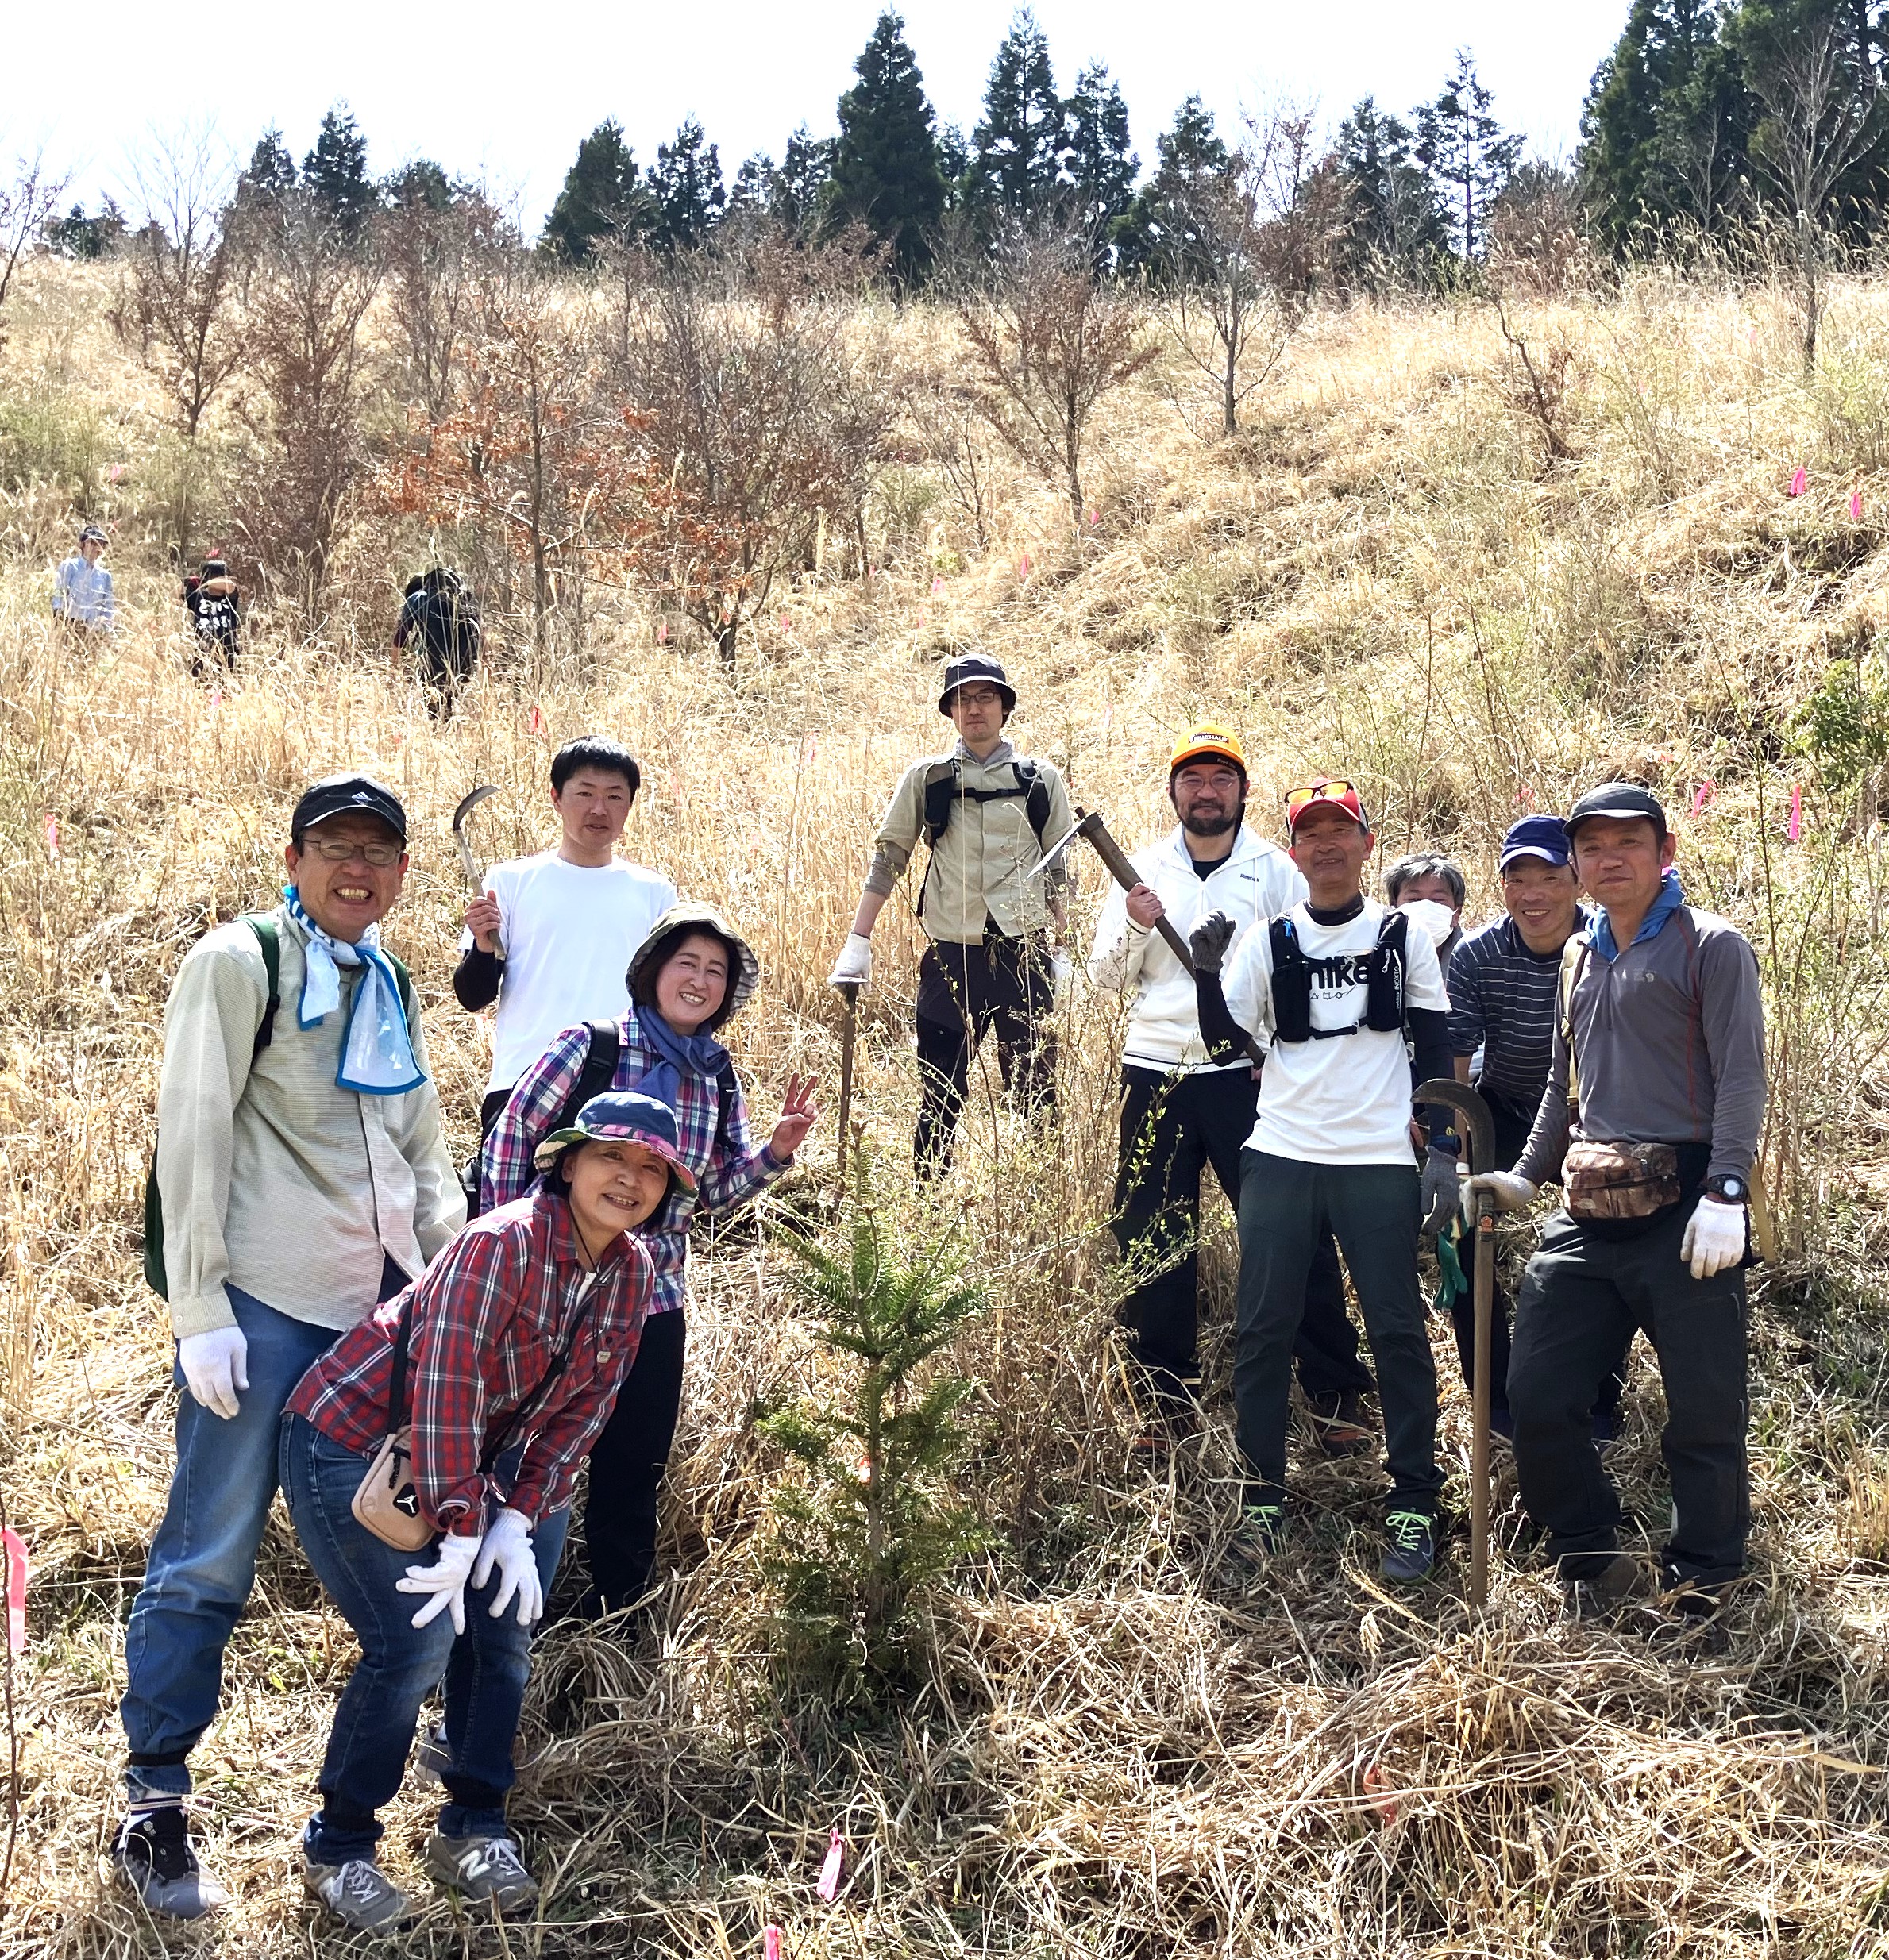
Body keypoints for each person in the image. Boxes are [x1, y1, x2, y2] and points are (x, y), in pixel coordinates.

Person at [115, 775, 463, 1919]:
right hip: (262, 1303)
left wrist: (446, 1273)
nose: (354, 867)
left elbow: (416, 1141)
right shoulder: (240, 960)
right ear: (294, 856)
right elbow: (194, 1126)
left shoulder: (391, 979)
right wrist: (200, 1306)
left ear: (403, 874)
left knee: (391, 1556)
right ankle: (155, 1806)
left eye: (377, 851)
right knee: (209, 1551)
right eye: (333, 846)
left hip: (370, 1312)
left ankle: (350, 1822)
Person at [280, 1092, 683, 1929]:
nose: (630, 1180)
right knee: (414, 1645)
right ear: (568, 1163)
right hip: (356, 1442)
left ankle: (472, 1826)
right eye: (614, 1158)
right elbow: (444, 1385)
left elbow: (586, 1412)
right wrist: (466, 1520)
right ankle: (340, 1844)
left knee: (504, 1634)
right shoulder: (503, 1243)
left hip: (484, 1467)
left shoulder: (634, 1273)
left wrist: (514, 1518)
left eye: (652, 1170)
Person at [1468, 784, 1765, 1642]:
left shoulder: (1713, 946)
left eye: (1627, 843)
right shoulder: (1578, 954)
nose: (1609, 859)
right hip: (1590, 1202)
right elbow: (1567, 1091)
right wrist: (1525, 1177)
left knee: (1704, 1406)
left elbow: (1742, 1077)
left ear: (1663, 851)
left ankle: (1704, 1575)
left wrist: (1729, 1192)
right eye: (1591, 847)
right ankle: (1589, 1554)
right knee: (1537, 1390)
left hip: (1691, 1196)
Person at [483, 904, 819, 1617]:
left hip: (651, 1295)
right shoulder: (591, 1045)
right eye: (686, 963)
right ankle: (500, 1610)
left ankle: (615, 1614)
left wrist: (775, 1154)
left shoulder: (716, 1075)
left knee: (635, 1458)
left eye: (716, 972)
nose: (699, 981)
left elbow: (709, 1195)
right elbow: (513, 1137)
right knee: (521, 1446)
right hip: (552, 1288)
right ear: (653, 971)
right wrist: (512, 1254)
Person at [1087, 725, 1377, 1454]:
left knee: (1290, 1233)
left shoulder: (1274, 869)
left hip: (1249, 1079)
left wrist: (1275, 1055)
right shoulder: (1142, 870)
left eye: (1221, 778)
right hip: (1155, 1072)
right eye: (1193, 779)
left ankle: (1334, 1389)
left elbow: (1308, 963)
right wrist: (1132, 923)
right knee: (1153, 1234)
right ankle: (1163, 1397)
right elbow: (1105, 976)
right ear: (1173, 792)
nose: (1207, 790)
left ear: (1242, 790)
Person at [1192, 778, 1454, 1584]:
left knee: (1399, 1332)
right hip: (1282, 1155)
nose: (1329, 846)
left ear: (1367, 846)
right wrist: (1206, 975)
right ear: (1294, 853)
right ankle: (1261, 1502)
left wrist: (1440, 1149)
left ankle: (1414, 1503)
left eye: (1343, 832)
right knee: (1264, 1332)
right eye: (1312, 834)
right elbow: (1221, 1044)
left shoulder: (1402, 933)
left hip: (1376, 1160)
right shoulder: (1268, 942)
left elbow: (1435, 1043)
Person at [831, 653, 1074, 1179]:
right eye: (961, 699)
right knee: (940, 1088)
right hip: (950, 955)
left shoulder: (1040, 779)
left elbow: (1058, 868)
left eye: (985, 696)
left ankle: (1039, 1202)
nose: (974, 708)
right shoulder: (928, 777)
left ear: (1005, 707)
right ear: (949, 712)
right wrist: (858, 940)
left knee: (1036, 1092)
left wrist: (1064, 945)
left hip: (1023, 954)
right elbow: (889, 855)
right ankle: (928, 1200)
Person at [1436, 814, 1625, 1439]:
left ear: (1577, 881)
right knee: (1464, 1228)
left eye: (1549, 876)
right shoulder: (1477, 954)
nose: (1533, 893)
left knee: (1607, 1235)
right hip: (1505, 1110)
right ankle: (1491, 1398)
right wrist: (1460, 1160)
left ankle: (1598, 1399)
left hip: (1596, 1116)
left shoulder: (1609, 945)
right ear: (1501, 886)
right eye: (1518, 879)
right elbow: (1460, 1066)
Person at [454, 736, 677, 1161]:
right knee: (513, 1221)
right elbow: (472, 996)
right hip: (522, 1084)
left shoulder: (655, 894)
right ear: (556, 798)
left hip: (623, 1086)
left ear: (630, 806)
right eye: (585, 794)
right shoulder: (510, 882)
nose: (599, 809)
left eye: (615, 796)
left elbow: (668, 1001)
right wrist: (484, 948)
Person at [395, 568, 482, 718]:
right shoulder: (466, 602)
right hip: (466, 665)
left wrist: (394, 672)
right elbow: (482, 638)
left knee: (437, 712)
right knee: (456, 707)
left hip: (435, 667)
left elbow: (399, 641)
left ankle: (439, 732)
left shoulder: (417, 599)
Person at [1385, 851, 1467, 972]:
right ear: (1393, 908)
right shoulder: (1377, 953)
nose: (1426, 907)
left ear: (1456, 913)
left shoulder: (1476, 955)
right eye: (1414, 900)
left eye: (1438, 900)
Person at [53, 523, 114, 634]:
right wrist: (58, 611)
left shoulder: (105, 576)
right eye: (93, 543)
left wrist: (106, 630)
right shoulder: (69, 566)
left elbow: (108, 606)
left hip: (93, 632)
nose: (97, 547)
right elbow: (59, 591)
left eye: (100, 544)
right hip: (70, 626)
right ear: (84, 544)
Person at [182, 556, 241, 673]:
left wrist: (206, 582)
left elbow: (229, 585)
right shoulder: (198, 596)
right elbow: (173, 597)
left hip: (227, 651)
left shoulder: (230, 598)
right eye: (218, 576)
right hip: (202, 651)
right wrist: (187, 582)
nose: (223, 579)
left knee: (226, 686)